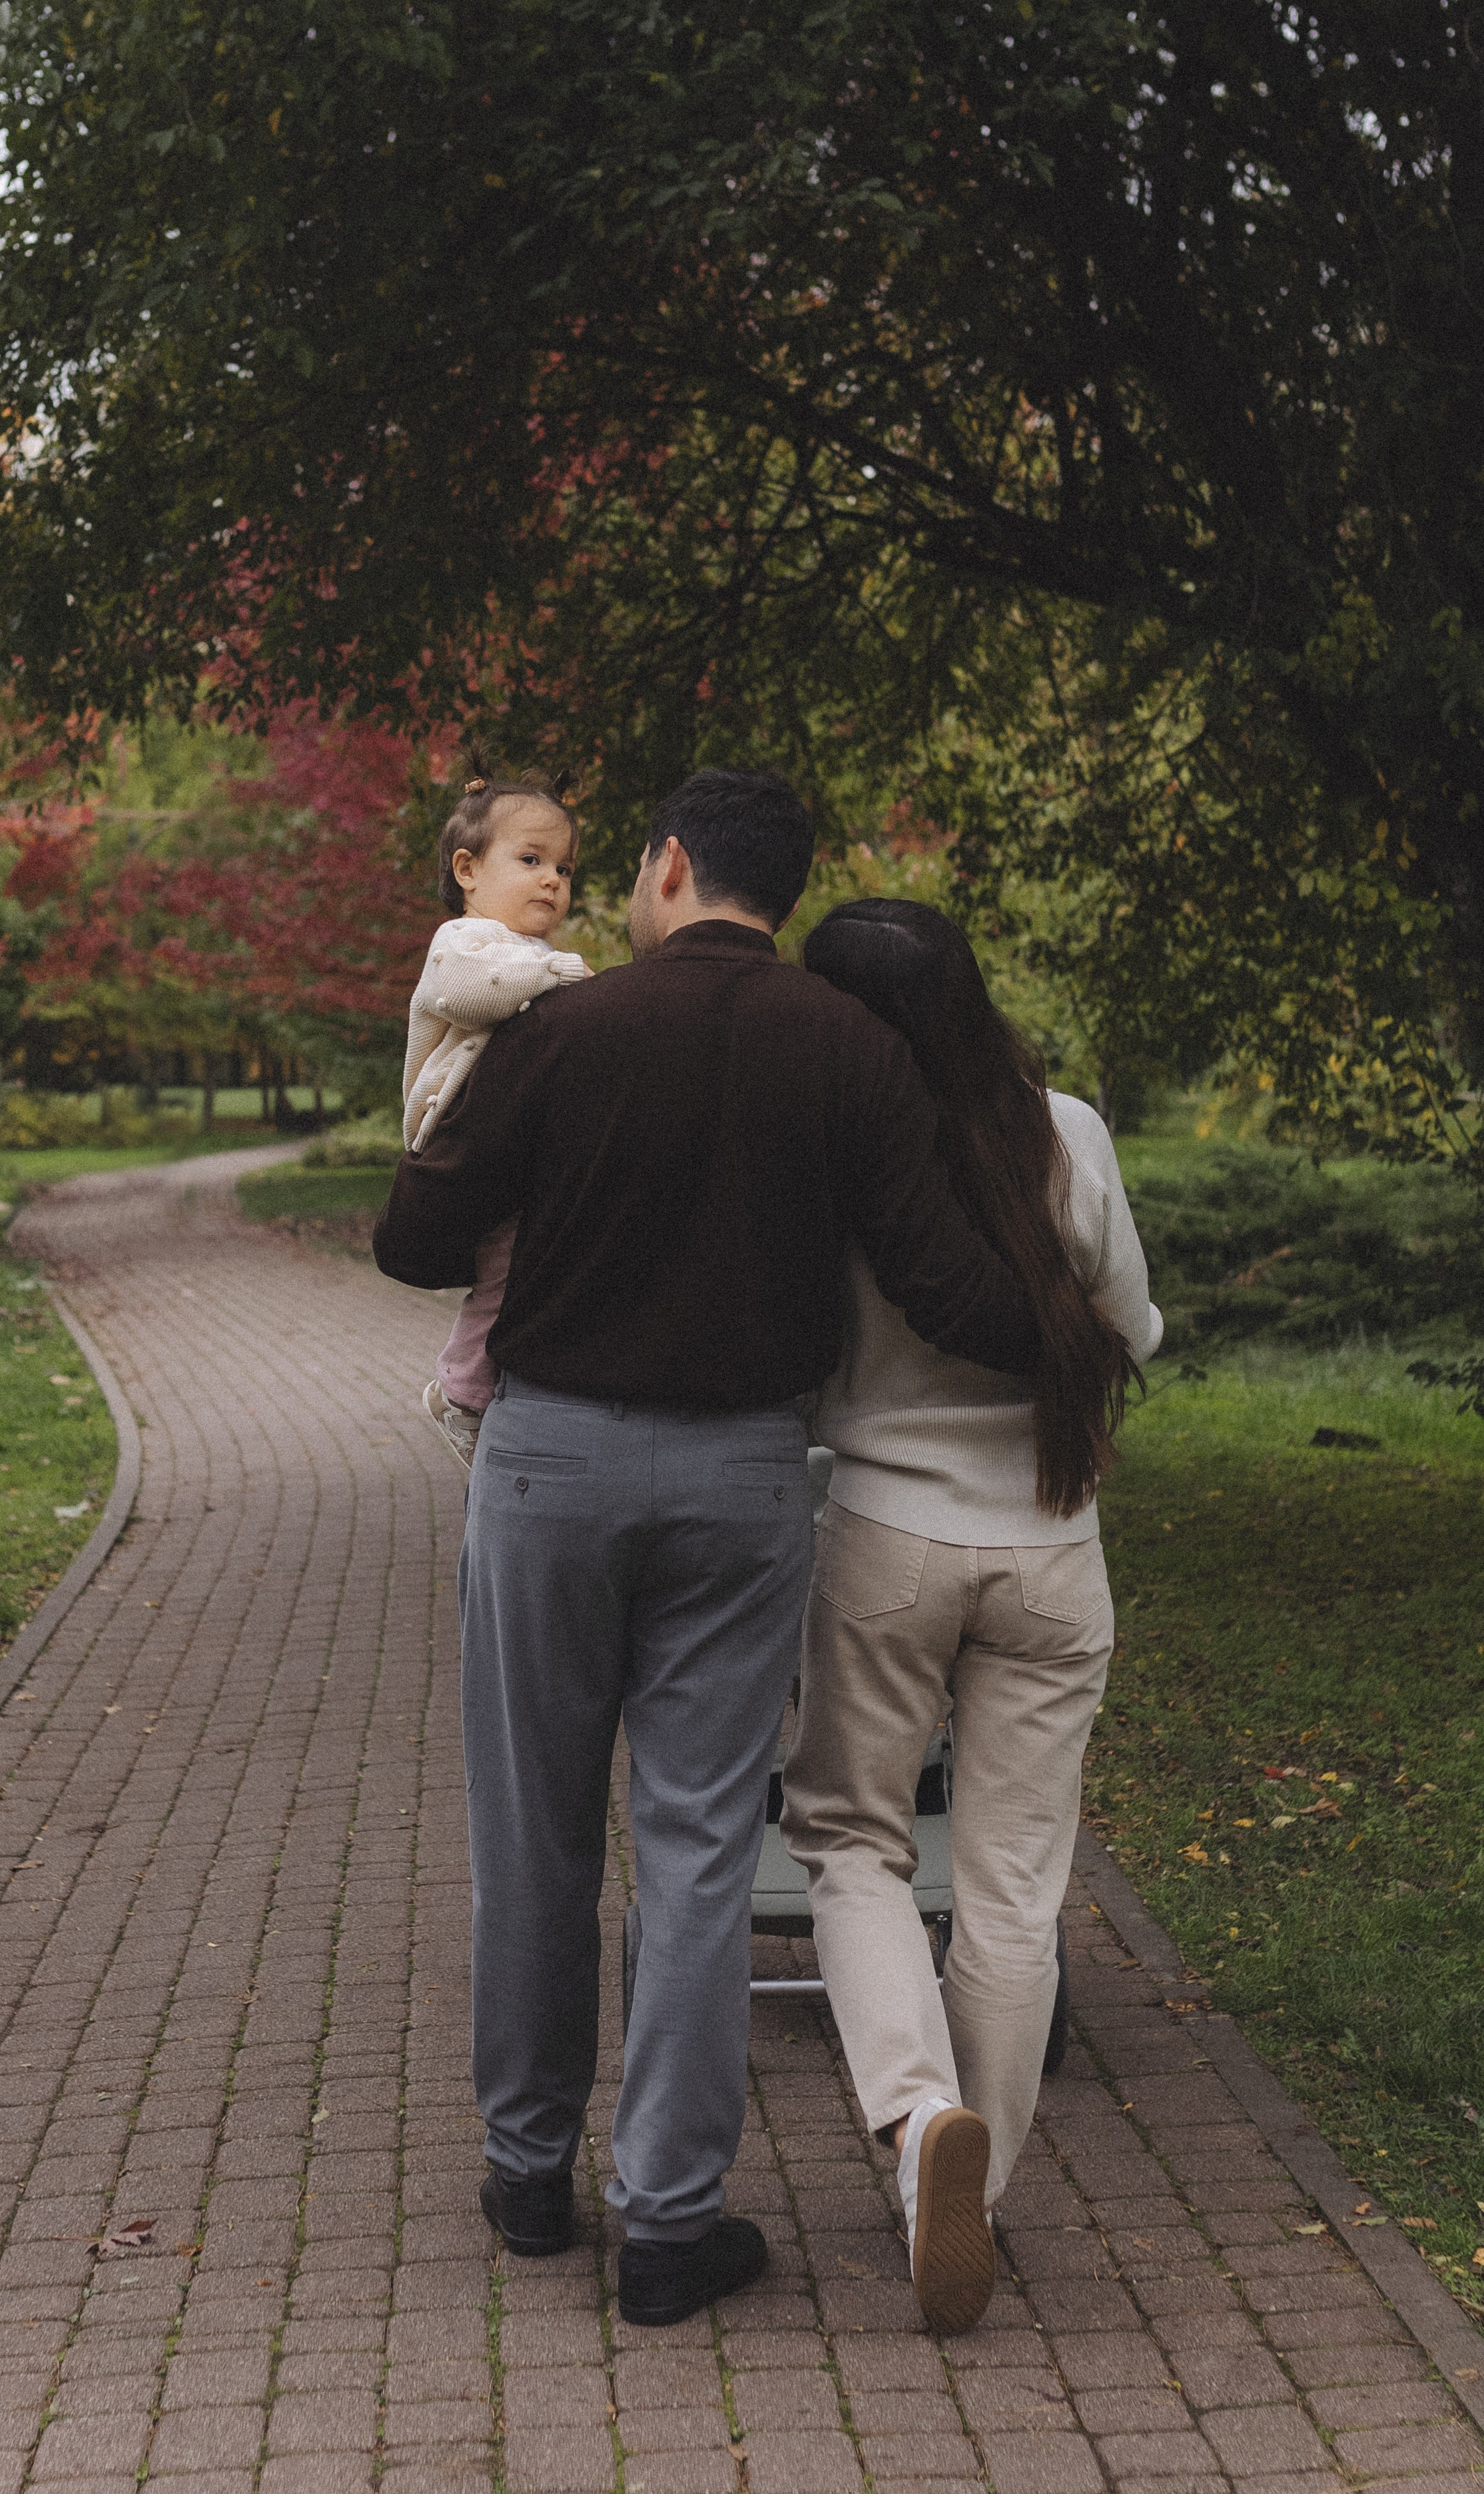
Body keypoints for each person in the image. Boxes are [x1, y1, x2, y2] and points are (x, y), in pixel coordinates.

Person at [372, 769, 1042, 2329]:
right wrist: (1082, 1349)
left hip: (547, 1463)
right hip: (742, 1475)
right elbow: (942, 1282)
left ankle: (529, 2174)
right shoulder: (849, 1047)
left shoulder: (559, 1029)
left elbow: (413, 1241)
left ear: (669, 865)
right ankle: (669, 2222)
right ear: (780, 888)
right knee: (692, 1850)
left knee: (532, 1828)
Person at [779, 898, 1162, 2334]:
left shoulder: (829, 1156)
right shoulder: (1066, 1128)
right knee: (1012, 1890)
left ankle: (915, 2127)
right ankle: (977, 2198)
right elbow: (1136, 1329)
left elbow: (798, 1363)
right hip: (1056, 1550)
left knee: (852, 1843)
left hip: (881, 1535)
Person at [405, 767, 591, 1472]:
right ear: (468, 871)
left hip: (504, 1135)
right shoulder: (464, 940)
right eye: (531, 860)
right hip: (454, 1131)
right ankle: (459, 1391)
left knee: (522, 1264)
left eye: (564, 868)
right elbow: (465, 994)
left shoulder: (533, 955)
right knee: (506, 1270)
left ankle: (489, 1384)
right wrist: (561, 978)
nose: (552, 881)